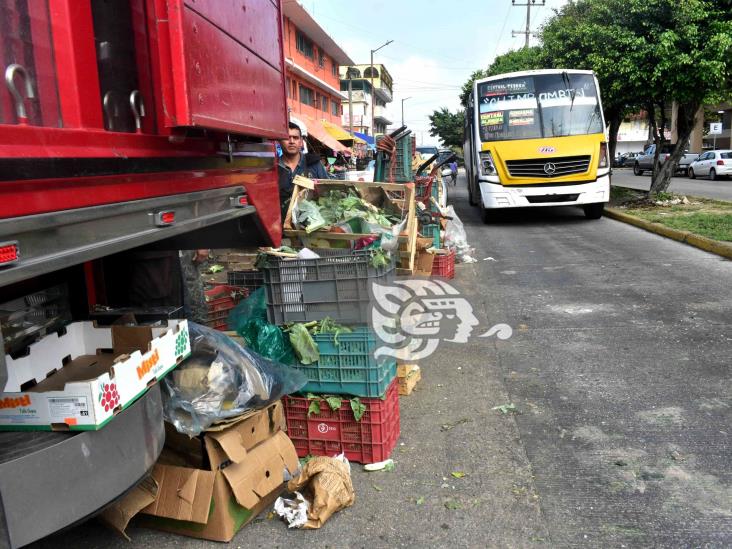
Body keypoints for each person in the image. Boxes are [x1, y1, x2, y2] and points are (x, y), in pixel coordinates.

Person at [278, 122, 330, 219]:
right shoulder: (273, 168)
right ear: (279, 141)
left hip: (311, 224)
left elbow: (328, 191)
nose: (291, 141)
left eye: (296, 138)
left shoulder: (314, 164)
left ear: (301, 142)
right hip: (282, 227)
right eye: (287, 138)